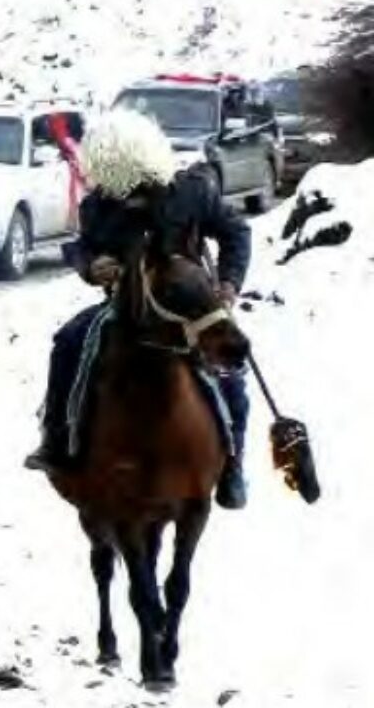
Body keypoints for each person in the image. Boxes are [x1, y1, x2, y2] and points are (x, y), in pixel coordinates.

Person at [23, 110, 253, 510]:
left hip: (191, 305)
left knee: (230, 376)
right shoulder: (99, 206)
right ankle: (57, 438)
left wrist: (228, 285)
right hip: (126, 306)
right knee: (68, 341)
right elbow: (82, 247)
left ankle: (232, 465)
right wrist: (92, 266)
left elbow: (235, 231)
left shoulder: (193, 190)